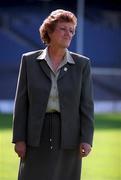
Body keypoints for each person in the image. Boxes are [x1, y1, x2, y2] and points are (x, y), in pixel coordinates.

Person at [12, 9, 94, 180]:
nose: (69, 34)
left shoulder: (82, 65)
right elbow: (21, 103)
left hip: (69, 136)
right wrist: (19, 139)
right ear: (49, 31)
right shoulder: (29, 61)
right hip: (35, 134)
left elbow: (86, 105)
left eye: (72, 30)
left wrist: (87, 139)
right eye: (63, 29)